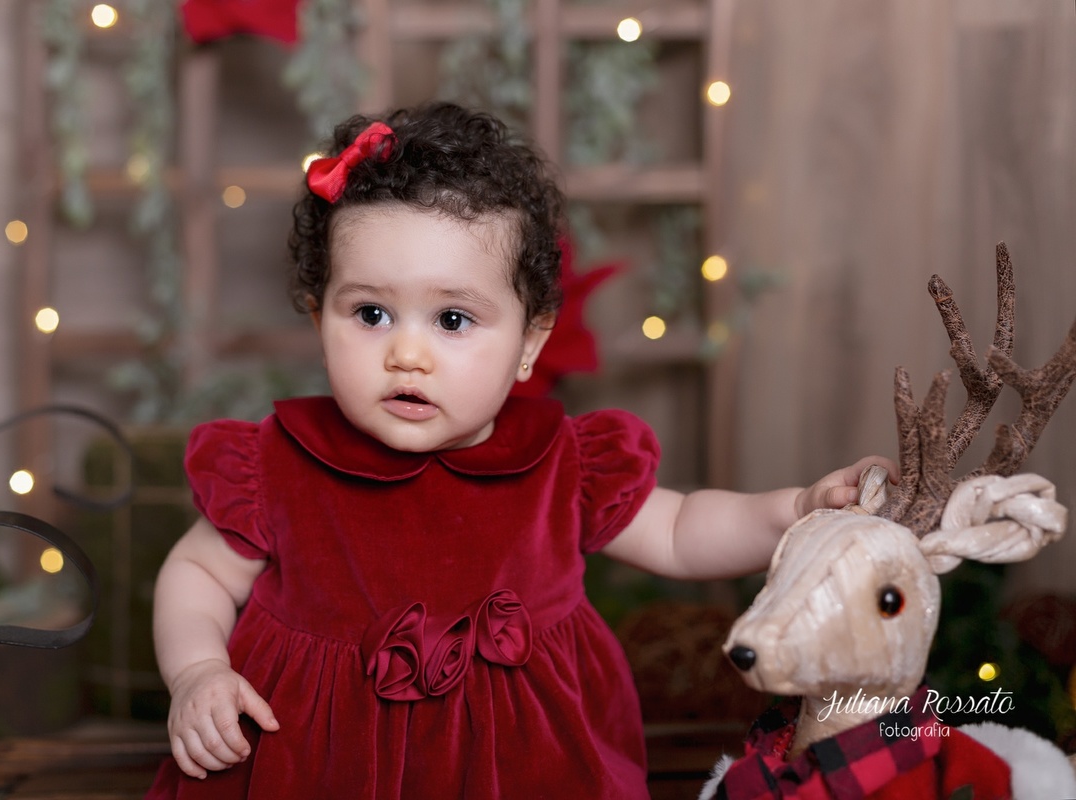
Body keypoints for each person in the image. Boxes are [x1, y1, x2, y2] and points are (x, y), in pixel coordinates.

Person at [144, 102, 894, 799]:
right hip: (316, 760)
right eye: (370, 313)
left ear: (529, 343)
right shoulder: (279, 463)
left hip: (526, 764)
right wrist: (199, 670)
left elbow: (680, 528)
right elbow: (197, 571)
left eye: (453, 320)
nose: (407, 353)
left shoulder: (560, 463)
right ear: (318, 320)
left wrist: (795, 510)